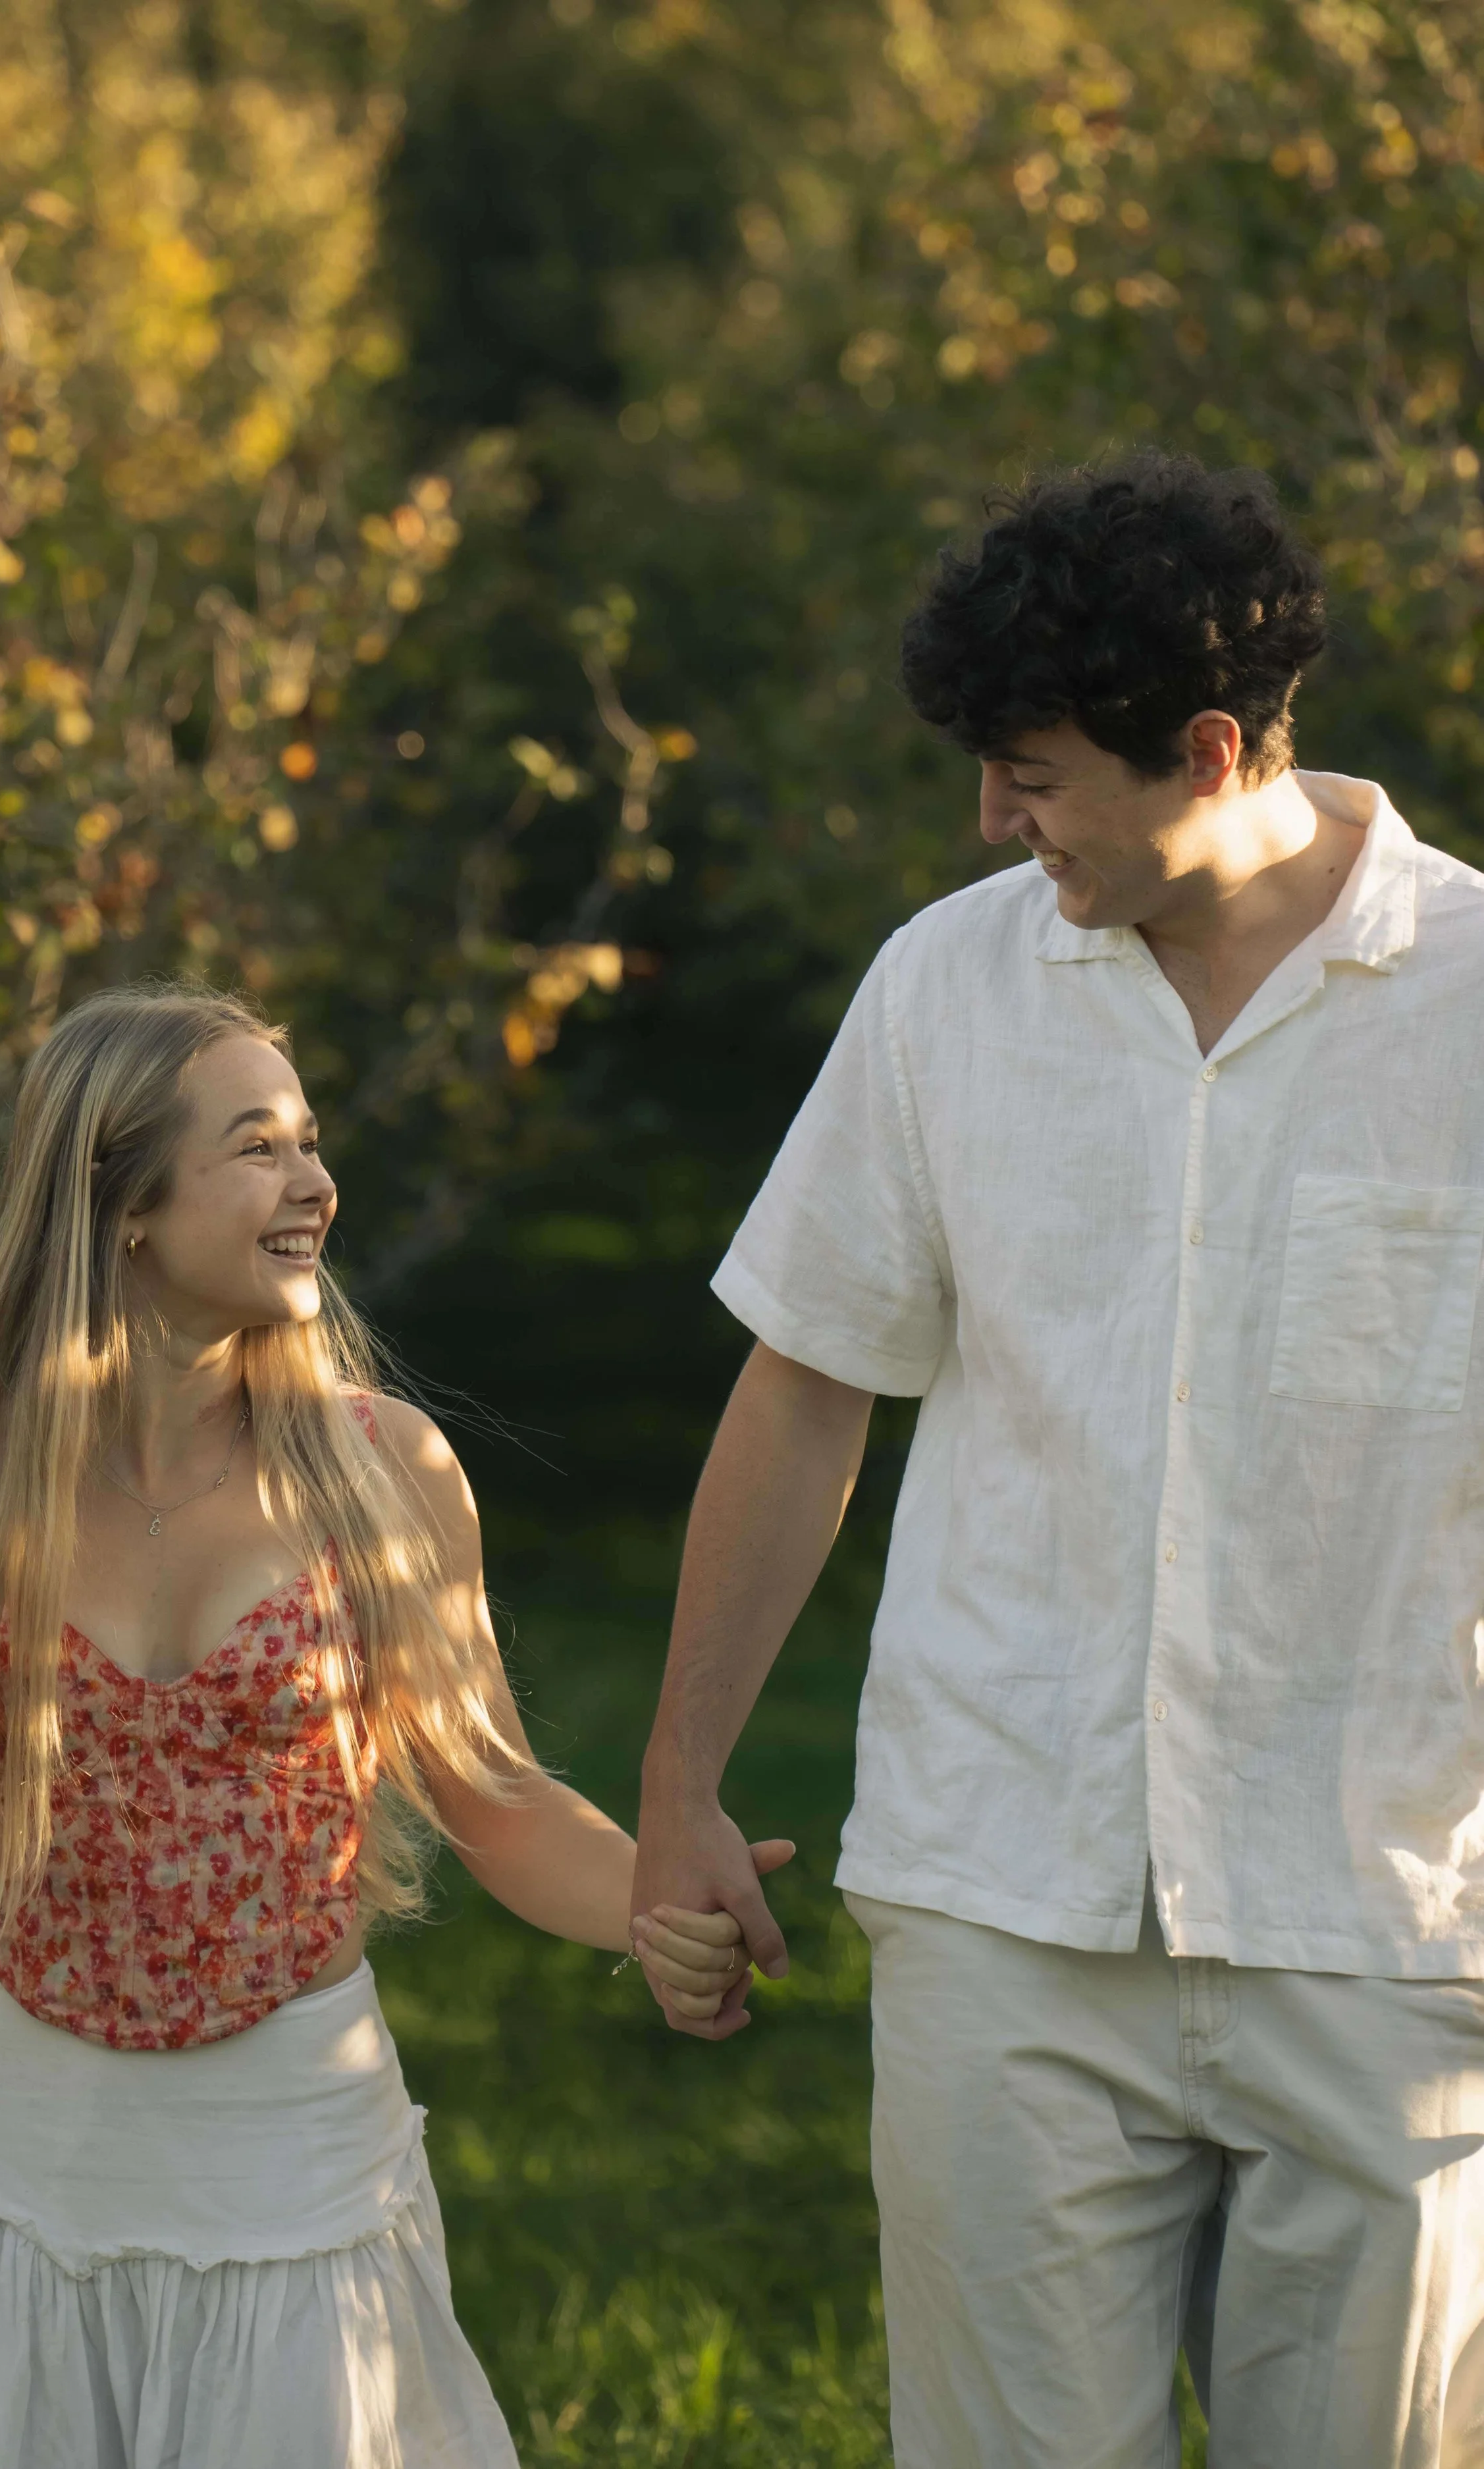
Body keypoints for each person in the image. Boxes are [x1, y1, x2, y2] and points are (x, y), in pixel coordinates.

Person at [629, 451, 1484, 2466]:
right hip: (998, 1894)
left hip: (1384, 1911)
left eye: (1027, 775)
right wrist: (674, 1784)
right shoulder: (944, 985)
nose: (990, 822)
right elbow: (805, 1385)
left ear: (1203, 748)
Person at [0, 982, 787, 2464]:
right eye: (258, 1148)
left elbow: (494, 1795)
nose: (315, 1185)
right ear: (123, 1205)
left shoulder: (380, 1467)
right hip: (16, 2170)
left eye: (311, 1143)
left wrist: (654, 1902)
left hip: (298, 2163)